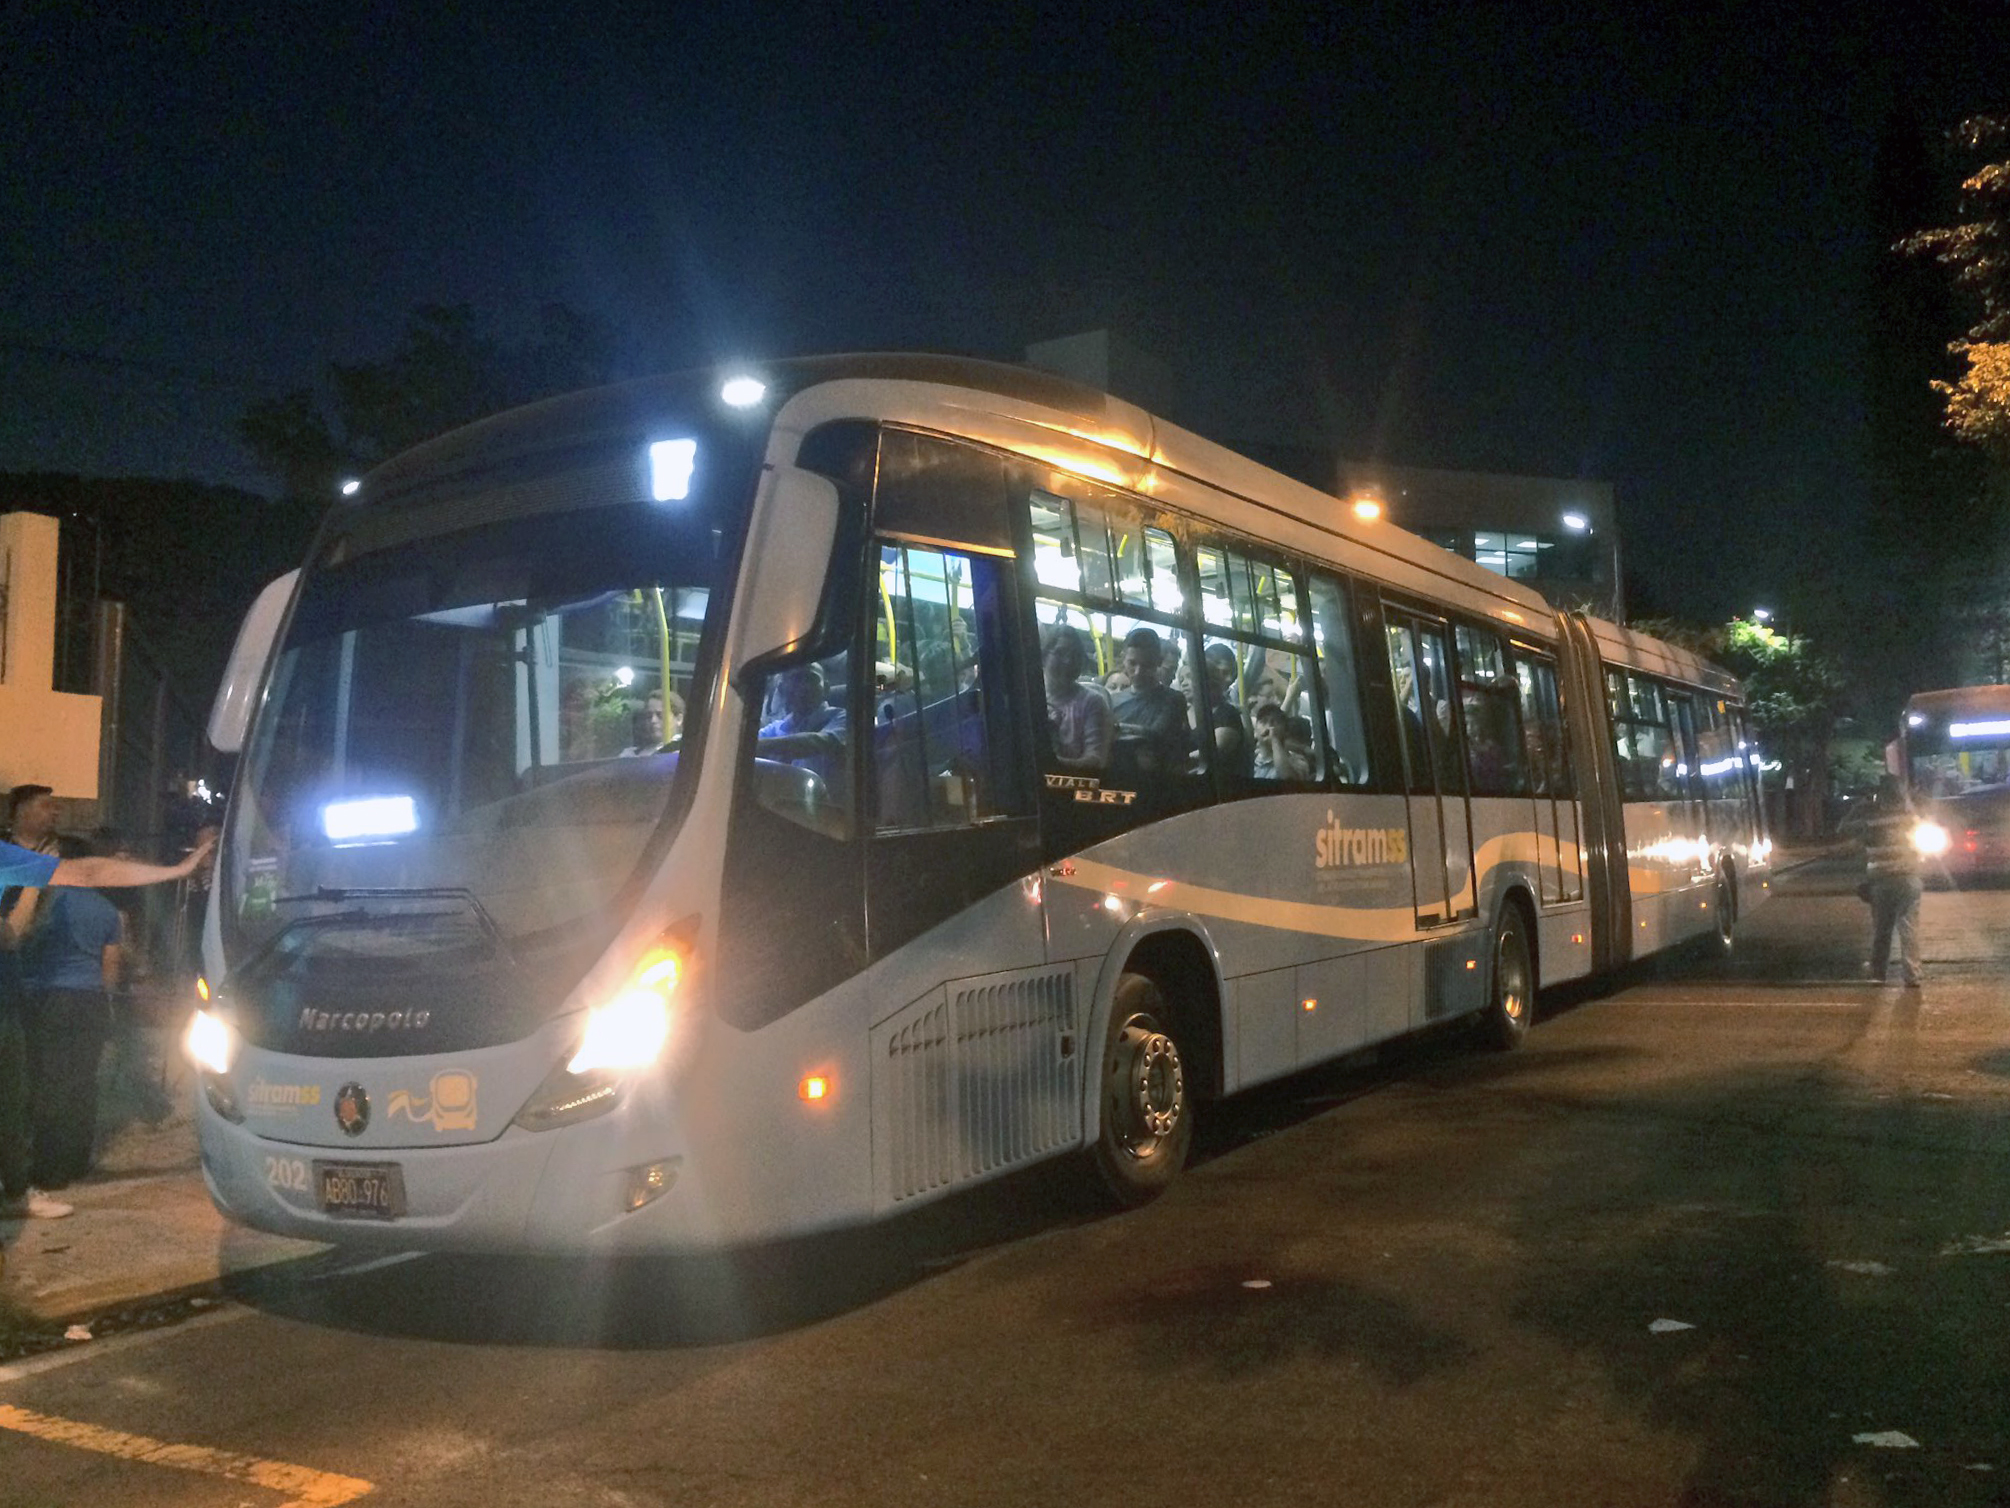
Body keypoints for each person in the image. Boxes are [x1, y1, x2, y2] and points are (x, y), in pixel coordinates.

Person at [1, 831, 215, 1220]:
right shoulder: (102, 909)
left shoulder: (31, 887)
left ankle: (30, 1179)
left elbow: (25, 934)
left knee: (32, 1091)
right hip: (73, 1001)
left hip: (32, 1002)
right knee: (67, 1086)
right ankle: (48, 1173)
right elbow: (106, 964)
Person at [20, 836, 125, 1189]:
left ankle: (49, 1169)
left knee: (49, 1081)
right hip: (90, 1001)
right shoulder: (107, 910)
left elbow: (25, 943)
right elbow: (111, 969)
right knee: (83, 1080)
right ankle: (78, 1159)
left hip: (48, 999)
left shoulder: (44, 903)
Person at [1858, 774, 1925, 987]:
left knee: (1882, 929)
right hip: (1908, 878)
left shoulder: (1872, 820)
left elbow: (1857, 842)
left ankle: (1878, 973)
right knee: (1908, 928)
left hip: (1881, 880)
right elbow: (1921, 847)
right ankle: (1912, 974)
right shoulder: (1911, 819)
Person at [1110, 627, 1190, 777]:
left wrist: (1115, 728)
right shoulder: (1113, 700)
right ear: (1123, 658)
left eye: (1146, 665)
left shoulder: (1173, 700)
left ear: (1158, 662)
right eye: (1132, 663)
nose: (1138, 671)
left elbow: (1155, 735)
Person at [758, 663, 848, 786]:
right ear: (783, 689)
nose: (804, 686)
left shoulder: (842, 717)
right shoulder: (776, 727)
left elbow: (818, 742)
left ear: (826, 688)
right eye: (796, 679)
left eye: (811, 679)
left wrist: (761, 746)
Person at [1042, 628, 1112, 773]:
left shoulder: (1092, 702)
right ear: (1044, 657)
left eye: (1076, 655)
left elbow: (1096, 761)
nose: (1068, 661)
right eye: (1060, 653)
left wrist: (1050, 762)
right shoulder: (1026, 695)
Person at [1251, 701, 1313, 781]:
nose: (1269, 725)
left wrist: (1275, 740)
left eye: (1275, 722)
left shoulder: (1297, 761)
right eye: (1263, 721)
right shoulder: (1250, 761)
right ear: (1255, 732)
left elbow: (1288, 779)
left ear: (1285, 731)